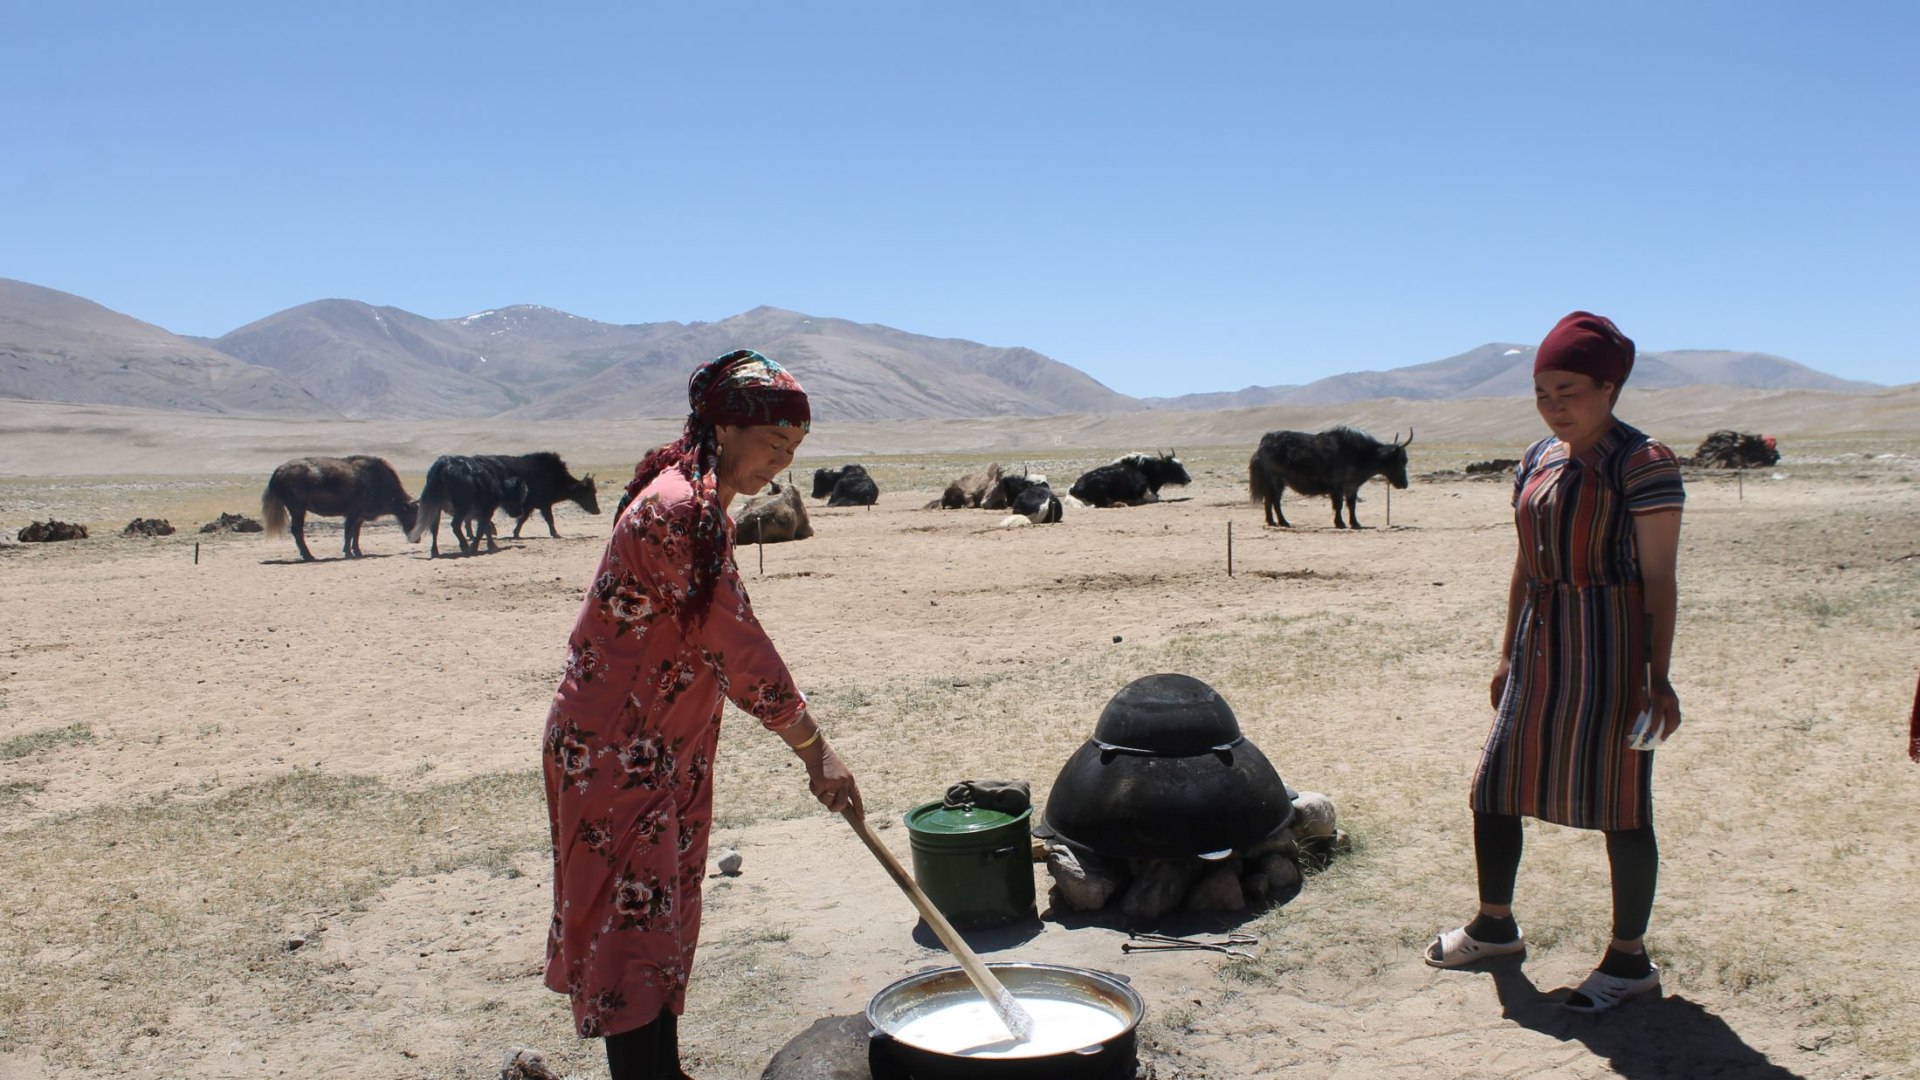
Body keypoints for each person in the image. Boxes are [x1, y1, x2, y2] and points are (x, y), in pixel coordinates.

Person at [541, 349, 862, 1079]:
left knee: (662, 915)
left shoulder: (701, 500)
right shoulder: (679, 508)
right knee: (631, 928)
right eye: (775, 445)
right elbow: (736, 647)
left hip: (665, 747)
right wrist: (815, 750)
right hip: (616, 753)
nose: (779, 467)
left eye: (794, 451)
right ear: (725, 425)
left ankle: (666, 1071)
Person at [1425, 312, 1685, 1014]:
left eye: (1568, 388)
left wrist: (1655, 677)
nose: (1554, 403)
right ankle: (1494, 926)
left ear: (1609, 386)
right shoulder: (1538, 458)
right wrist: (1508, 650)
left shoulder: (1643, 461)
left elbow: (1659, 575)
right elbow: (1523, 562)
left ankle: (1629, 961)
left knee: (1622, 804)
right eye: (1543, 390)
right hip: (1542, 642)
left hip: (1614, 648)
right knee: (1495, 786)